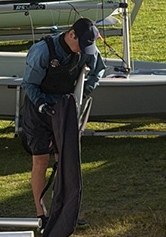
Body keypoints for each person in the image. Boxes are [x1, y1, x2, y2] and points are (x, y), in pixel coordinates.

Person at [20, 17, 105, 221]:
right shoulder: (42, 51)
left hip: (65, 109)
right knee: (40, 161)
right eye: (81, 45)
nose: (83, 51)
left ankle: (64, 213)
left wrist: (85, 91)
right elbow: (29, 84)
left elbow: (98, 71)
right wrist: (42, 104)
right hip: (38, 110)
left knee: (65, 162)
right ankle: (42, 215)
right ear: (71, 34)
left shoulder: (87, 50)